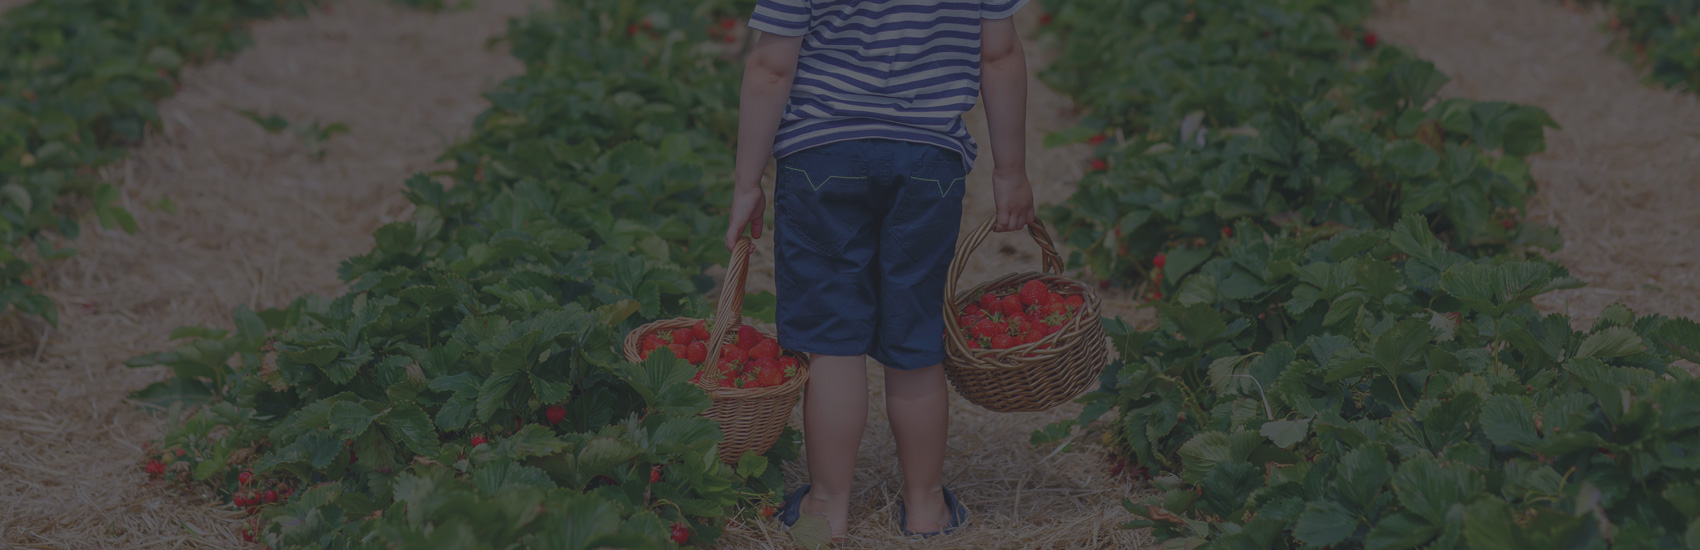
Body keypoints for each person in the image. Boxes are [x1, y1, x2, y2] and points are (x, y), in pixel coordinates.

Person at [722, 0, 1035, 541]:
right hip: (928, 160)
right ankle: (925, 505)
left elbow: (772, 66)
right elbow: (1001, 55)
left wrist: (748, 181)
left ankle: (827, 505)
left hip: (823, 154)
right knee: (915, 337)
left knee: (832, 340)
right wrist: (1010, 171)